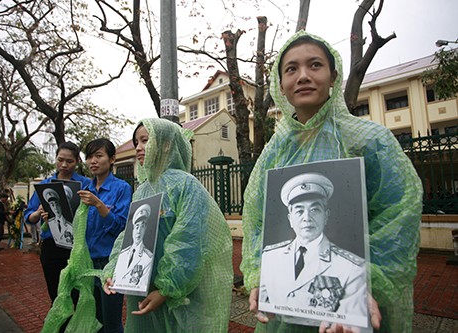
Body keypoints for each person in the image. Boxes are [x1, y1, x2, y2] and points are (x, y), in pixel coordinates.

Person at [240, 30, 423, 333]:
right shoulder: (273, 152)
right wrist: (261, 276)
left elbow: (398, 216)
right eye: (291, 69)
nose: (303, 76)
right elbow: (256, 219)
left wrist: (366, 283)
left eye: (315, 65)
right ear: (281, 86)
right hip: (284, 321)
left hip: (354, 314)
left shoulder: (369, 141)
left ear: (333, 76)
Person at [102, 118, 233, 333]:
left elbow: (188, 241)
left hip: (182, 294)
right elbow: (127, 237)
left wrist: (166, 289)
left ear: (166, 144)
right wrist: (115, 270)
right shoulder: (143, 190)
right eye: (136, 142)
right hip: (143, 290)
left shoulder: (185, 185)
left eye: (145, 140)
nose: (138, 148)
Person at [260, 173, 366, 319]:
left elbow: (352, 318)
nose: (307, 218)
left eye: (315, 209)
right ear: (290, 219)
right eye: (299, 211)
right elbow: (265, 304)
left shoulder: (351, 267)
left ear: (326, 215)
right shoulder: (270, 257)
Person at [24, 141, 92, 304]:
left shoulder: (86, 184)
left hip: (77, 247)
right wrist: (38, 212)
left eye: (70, 161)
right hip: (51, 246)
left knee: (77, 293)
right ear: (55, 158)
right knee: (56, 293)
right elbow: (29, 216)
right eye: (60, 159)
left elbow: (93, 215)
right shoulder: (45, 185)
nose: (64, 164)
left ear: (77, 162)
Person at [77, 138, 132, 333]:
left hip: (111, 265)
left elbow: (121, 228)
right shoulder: (85, 189)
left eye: (98, 156)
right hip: (88, 264)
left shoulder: (122, 188)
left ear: (112, 159)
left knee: (111, 321)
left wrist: (99, 205)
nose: (93, 161)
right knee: (96, 319)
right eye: (89, 157)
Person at [115, 203, 153, 288]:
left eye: (142, 227)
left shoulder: (148, 258)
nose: (139, 231)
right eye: (137, 227)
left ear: (146, 229)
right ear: (132, 230)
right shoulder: (122, 254)